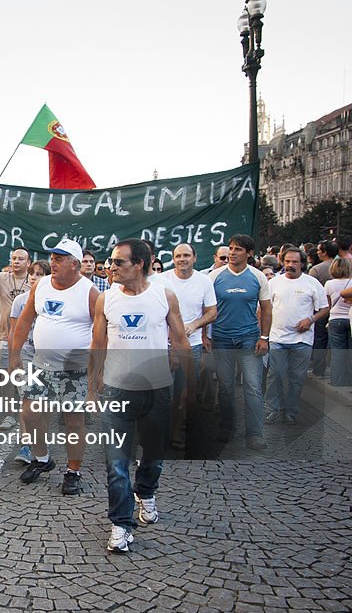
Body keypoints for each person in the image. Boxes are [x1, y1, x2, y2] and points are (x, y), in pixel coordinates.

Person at [90, 239, 189, 553]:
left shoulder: (164, 296)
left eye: (119, 262)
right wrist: (92, 388)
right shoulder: (105, 299)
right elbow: (97, 345)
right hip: (117, 390)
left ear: (140, 265)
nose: (112, 267)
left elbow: (182, 341)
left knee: (153, 455)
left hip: (157, 389)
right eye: (111, 261)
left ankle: (145, 491)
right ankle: (121, 524)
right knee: (116, 462)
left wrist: (189, 389)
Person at [11, 237, 97, 495]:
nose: (53, 263)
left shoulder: (90, 292)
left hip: (75, 369)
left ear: (75, 264)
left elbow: (102, 333)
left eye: (59, 259)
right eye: (52, 258)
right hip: (41, 365)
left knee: (73, 422)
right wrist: (15, 356)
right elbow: (24, 321)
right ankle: (42, 458)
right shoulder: (42, 286)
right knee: (29, 414)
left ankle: (73, 471)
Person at [207, 234, 271, 450]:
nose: (232, 253)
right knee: (225, 388)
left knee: (252, 386)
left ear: (249, 254)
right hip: (222, 338)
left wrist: (264, 337)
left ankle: (255, 433)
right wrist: (206, 335)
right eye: (231, 249)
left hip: (249, 338)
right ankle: (226, 428)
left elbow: (267, 308)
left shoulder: (258, 277)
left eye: (238, 250)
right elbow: (206, 308)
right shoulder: (215, 276)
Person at [151, 244, 217, 450]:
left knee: (185, 392)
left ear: (195, 258)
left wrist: (194, 325)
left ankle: (177, 432)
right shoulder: (164, 281)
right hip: (164, 345)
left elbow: (212, 312)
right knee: (161, 392)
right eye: (178, 256)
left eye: (186, 255)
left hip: (192, 345)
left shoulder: (204, 281)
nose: (182, 259)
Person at [264, 248, 328, 426]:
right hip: (277, 338)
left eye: (295, 262)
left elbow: (324, 308)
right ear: (282, 262)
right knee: (275, 375)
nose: (290, 265)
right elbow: (265, 309)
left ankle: (291, 412)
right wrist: (262, 333)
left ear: (302, 263)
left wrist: (311, 319)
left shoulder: (312, 283)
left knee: (297, 378)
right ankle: (272, 410)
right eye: (287, 262)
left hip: (302, 340)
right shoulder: (274, 283)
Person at [7, 260, 50, 463]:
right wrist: (13, 356)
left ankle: (40, 441)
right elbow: (13, 331)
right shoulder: (20, 301)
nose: (34, 277)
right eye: (32, 273)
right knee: (27, 400)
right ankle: (26, 444)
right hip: (26, 354)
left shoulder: (52, 300)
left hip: (48, 357)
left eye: (40, 274)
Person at [310, 240, 339, 376]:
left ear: (324, 253)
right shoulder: (345, 265)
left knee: (320, 339)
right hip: (339, 309)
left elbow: (309, 290)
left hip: (321, 309)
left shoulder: (316, 269)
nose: (317, 252)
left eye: (319, 250)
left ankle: (319, 368)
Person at [324, 258, 352, 387]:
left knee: (337, 351)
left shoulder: (329, 284)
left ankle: (338, 380)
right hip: (350, 318)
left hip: (335, 319)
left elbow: (328, 304)